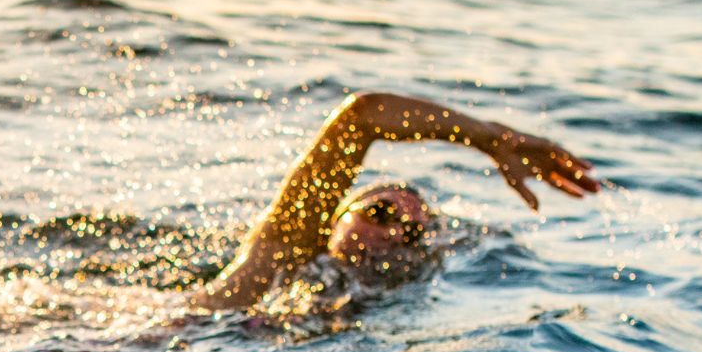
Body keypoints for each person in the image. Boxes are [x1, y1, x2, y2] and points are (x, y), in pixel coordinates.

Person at [187, 90, 603, 311]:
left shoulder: (387, 305)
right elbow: (363, 117)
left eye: (413, 232)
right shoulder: (281, 256)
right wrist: (492, 139)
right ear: (335, 219)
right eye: (380, 212)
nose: (395, 231)